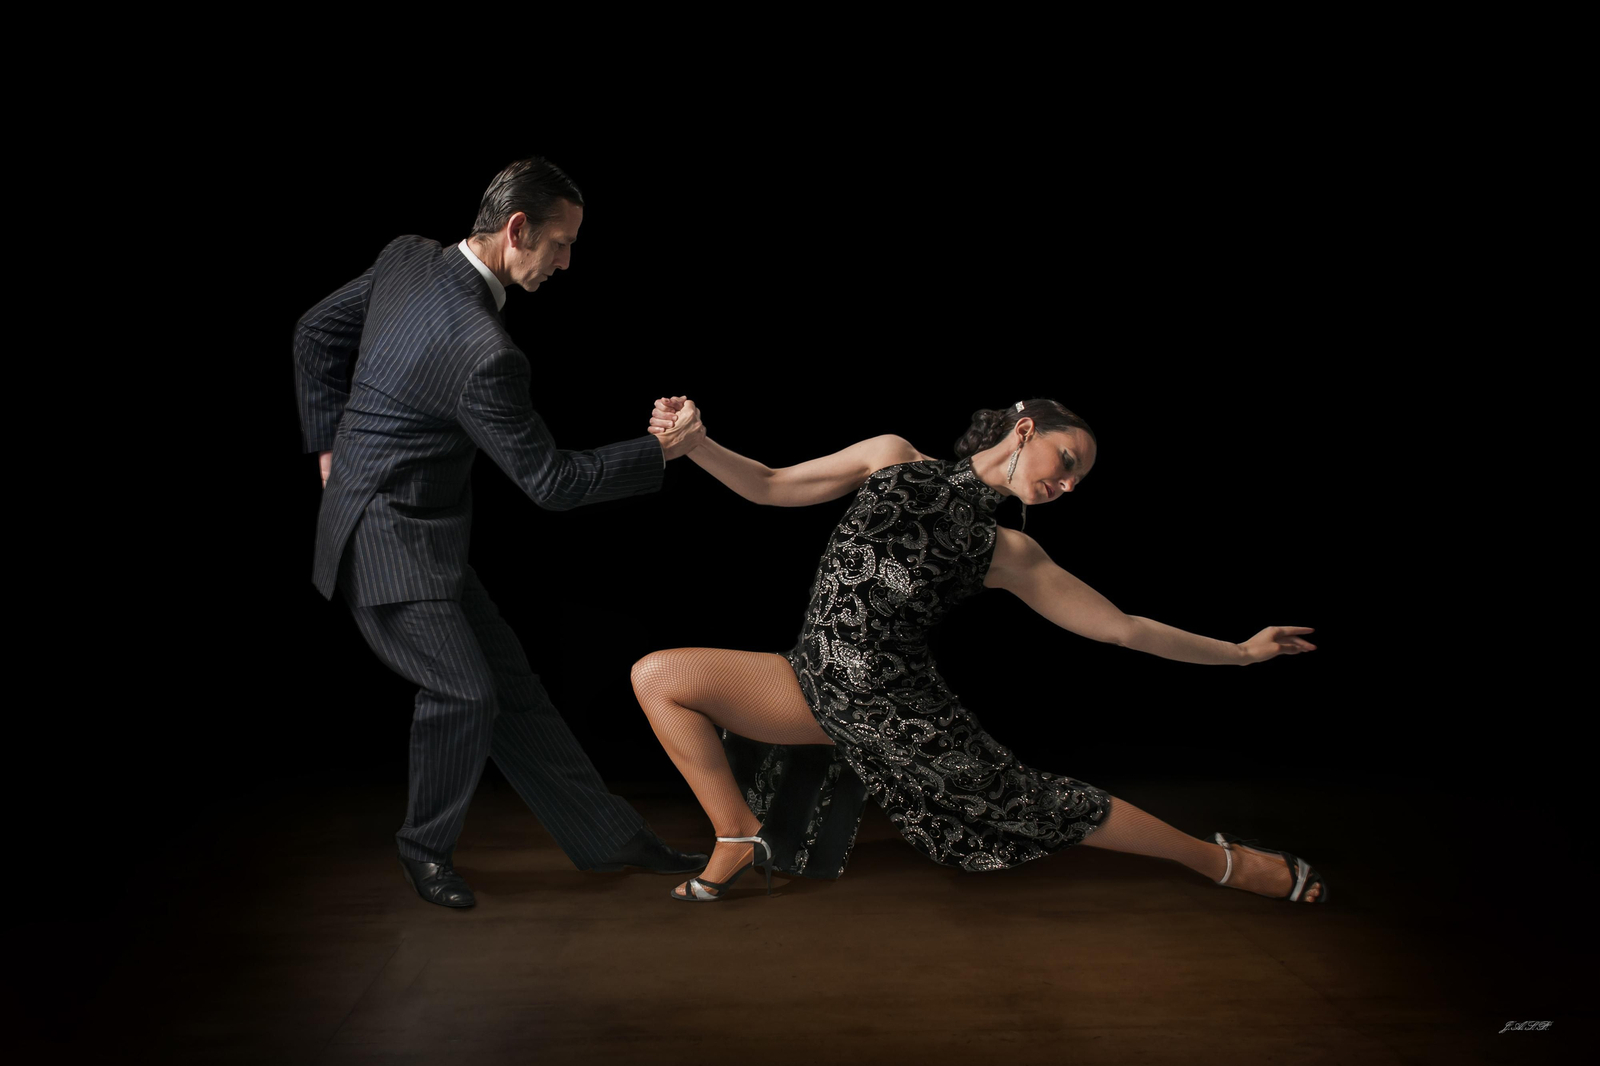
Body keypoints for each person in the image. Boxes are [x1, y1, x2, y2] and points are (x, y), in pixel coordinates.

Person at [630, 397, 1327, 904]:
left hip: (902, 714)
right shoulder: (891, 459)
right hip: (809, 682)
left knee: (1036, 803)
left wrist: (1239, 653)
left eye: (1079, 479)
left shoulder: (1008, 550)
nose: (1070, 483)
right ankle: (737, 833)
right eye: (1067, 460)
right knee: (659, 676)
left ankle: (1217, 862)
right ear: (1025, 430)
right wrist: (695, 445)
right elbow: (771, 484)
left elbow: (1124, 628)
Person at [293, 157, 710, 909]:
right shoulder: (485, 354)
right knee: (465, 694)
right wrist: (659, 453)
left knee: (511, 690)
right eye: (560, 243)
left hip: (426, 537)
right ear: (516, 229)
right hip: (381, 542)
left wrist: (330, 448)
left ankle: (608, 837)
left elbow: (314, 331)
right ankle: (424, 851)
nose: (567, 262)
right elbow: (550, 483)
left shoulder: (408, 258)